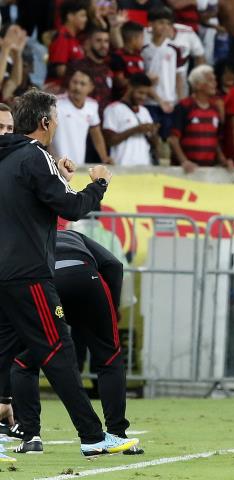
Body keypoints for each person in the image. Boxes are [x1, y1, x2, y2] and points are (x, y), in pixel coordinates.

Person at [0, 89, 138, 457]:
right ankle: (93, 436)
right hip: (29, 275)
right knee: (59, 352)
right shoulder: (34, 155)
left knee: (7, 354)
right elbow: (72, 207)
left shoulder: (8, 159)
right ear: (45, 122)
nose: (57, 124)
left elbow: (28, 200)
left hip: (4, 274)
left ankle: (9, 427)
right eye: (56, 119)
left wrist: (56, 176)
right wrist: (100, 184)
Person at [9, 230, 142, 455]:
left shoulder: (22, 240)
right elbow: (113, 265)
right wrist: (112, 307)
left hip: (49, 285)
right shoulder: (74, 235)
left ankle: (31, 437)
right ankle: (118, 434)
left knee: (24, 363)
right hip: (88, 282)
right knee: (109, 358)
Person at [169, 65, 231, 172]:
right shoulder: (184, 106)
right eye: (210, 80)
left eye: (215, 80)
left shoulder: (215, 109)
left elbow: (215, 139)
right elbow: (173, 139)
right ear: (198, 85)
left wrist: (222, 159)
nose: (215, 84)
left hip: (207, 170)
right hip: (185, 172)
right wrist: (184, 161)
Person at [52, 69, 113, 166]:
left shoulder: (92, 105)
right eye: (74, 82)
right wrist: (52, 159)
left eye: (82, 84)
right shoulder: (54, 103)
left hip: (78, 165)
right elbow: (45, 134)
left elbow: (96, 135)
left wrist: (104, 157)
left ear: (91, 88)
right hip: (56, 165)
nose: (77, 87)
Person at [142, 6, 184, 140]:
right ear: (150, 24)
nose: (164, 27)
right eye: (161, 22)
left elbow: (179, 76)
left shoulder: (174, 49)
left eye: (168, 23)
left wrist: (180, 100)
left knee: (166, 137)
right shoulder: (144, 50)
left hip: (169, 101)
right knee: (151, 136)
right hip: (149, 101)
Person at [103, 73, 160, 166]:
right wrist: (136, 130)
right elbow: (110, 141)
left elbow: (153, 143)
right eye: (140, 93)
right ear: (130, 87)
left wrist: (154, 133)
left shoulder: (144, 111)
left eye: (146, 94)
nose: (143, 97)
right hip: (121, 166)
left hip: (145, 166)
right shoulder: (113, 109)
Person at [68, 25, 114, 113]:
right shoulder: (77, 66)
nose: (103, 45)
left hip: (102, 121)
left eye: (106, 41)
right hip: (82, 118)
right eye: (98, 41)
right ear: (88, 43)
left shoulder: (108, 69)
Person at [48, 0, 88, 82]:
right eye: (82, 16)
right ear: (70, 16)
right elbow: (60, 70)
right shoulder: (62, 37)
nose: (86, 19)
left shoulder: (74, 38)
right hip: (59, 89)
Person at [110, 21, 146, 99]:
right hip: (121, 101)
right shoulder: (117, 57)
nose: (144, 41)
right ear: (134, 39)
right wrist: (141, 80)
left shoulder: (139, 57)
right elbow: (119, 82)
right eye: (142, 37)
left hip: (137, 102)